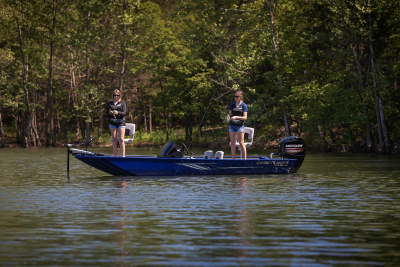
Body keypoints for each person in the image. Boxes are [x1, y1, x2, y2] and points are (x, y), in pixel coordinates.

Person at [227, 90, 248, 159]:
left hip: (240, 126)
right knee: (232, 143)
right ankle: (233, 159)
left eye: (237, 96)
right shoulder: (232, 105)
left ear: (240, 97)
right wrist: (228, 116)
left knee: (241, 142)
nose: (235, 98)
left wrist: (236, 117)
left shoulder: (244, 105)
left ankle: (245, 160)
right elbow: (230, 114)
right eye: (235, 96)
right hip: (232, 126)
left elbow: (245, 117)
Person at [107, 89, 127, 157]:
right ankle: (115, 156)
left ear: (119, 96)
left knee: (121, 139)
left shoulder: (122, 103)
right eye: (115, 95)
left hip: (121, 122)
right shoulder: (110, 103)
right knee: (114, 140)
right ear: (113, 96)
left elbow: (124, 113)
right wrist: (110, 113)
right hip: (113, 123)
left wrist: (118, 113)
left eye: (117, 95)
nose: (116, 96)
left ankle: (123, 155)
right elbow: (107, 114)